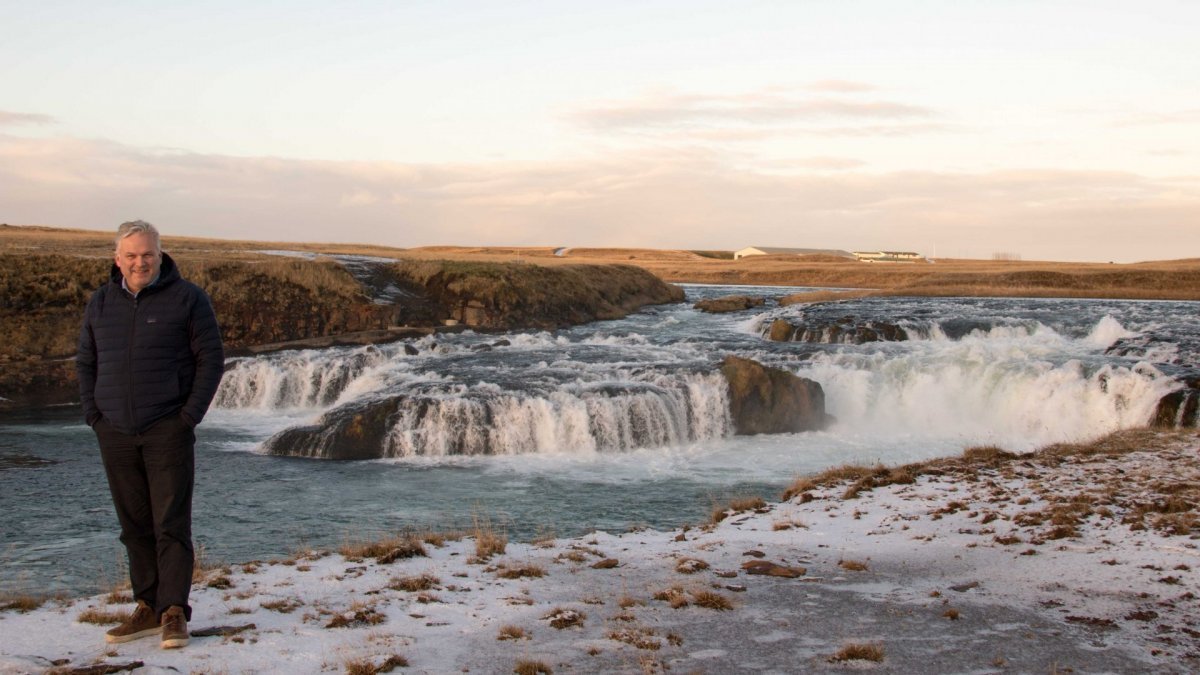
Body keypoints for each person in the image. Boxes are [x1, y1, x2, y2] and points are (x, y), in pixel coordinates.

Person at [77, 220, 224, 649]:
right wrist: (94, 416)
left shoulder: (188, 298)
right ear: (117, 259)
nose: (140, 262)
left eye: (147, 254)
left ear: (160, 255)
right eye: (131, 255)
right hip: (115, 431)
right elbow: (86, 362)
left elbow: (211, 360)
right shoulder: (101, 303)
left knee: (171, 523)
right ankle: (147, 606)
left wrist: (187, 418)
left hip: (167, 429)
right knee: (134, 526)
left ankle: (174, 611)